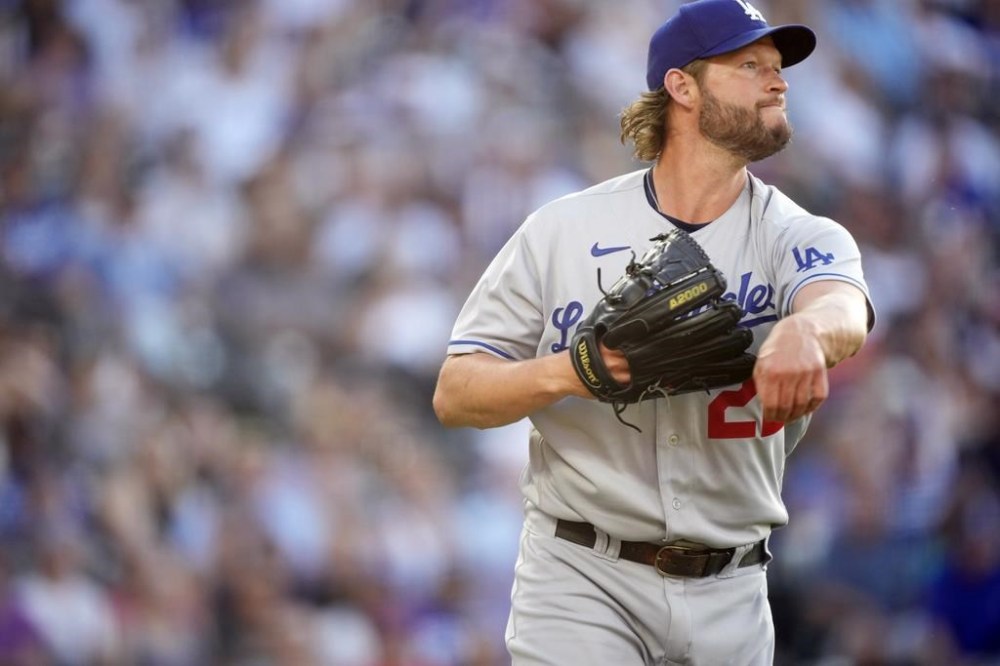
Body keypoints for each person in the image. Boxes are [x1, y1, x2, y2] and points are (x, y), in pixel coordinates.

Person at [433, 1, 875, 663]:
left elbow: (840, 306)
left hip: (734, 589)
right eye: (750, 65)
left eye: (778, 68)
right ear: (682, 86)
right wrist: (570, 372)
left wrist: (804, 334)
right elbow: (456, 392)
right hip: (582, 576)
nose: (778, 81)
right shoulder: (563, 231)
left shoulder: (800, 235)